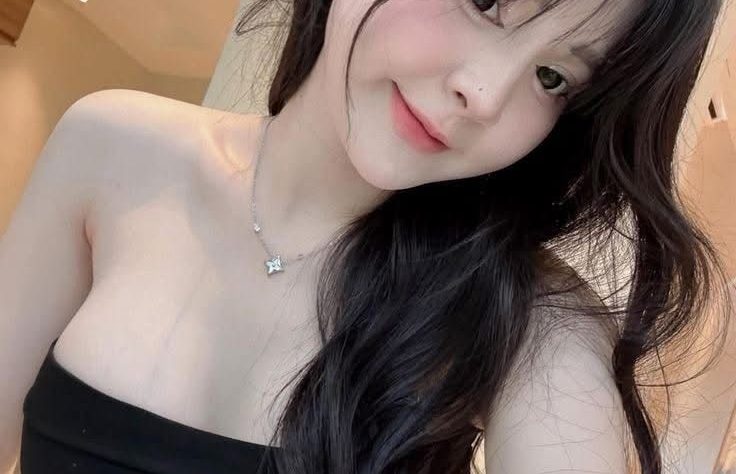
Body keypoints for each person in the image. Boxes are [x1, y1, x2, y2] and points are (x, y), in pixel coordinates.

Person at [1, 0, 732, 472]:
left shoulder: (533, 321)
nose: (483, 94)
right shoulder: (114, 150)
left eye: (552, 77)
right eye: (484, 1)